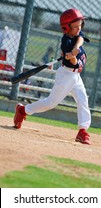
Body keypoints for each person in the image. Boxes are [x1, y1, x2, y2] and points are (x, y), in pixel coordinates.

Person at [13, 8, 91, 145]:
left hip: (76, 77)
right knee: (50, 103)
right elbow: (73, 63)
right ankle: (23, 110)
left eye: (80, 25)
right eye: (76, 26)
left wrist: (75, 49)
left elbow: (81, 38)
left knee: (83, 100)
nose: (79, 28)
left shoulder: (76, 36)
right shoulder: (66, 41)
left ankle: (83, 131)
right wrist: (72, 56)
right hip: (66, 75)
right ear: (67, 28)